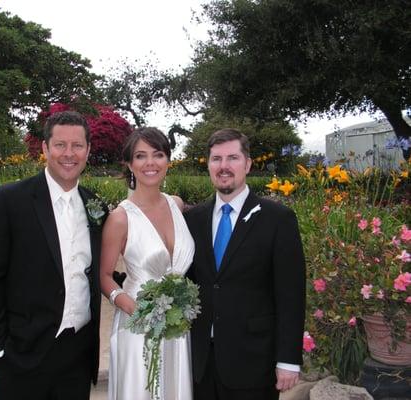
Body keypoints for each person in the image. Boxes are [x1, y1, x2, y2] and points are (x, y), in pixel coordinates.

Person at [0, 111, 107, 400]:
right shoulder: (8, 201)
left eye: (77, 145)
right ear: (45, 148)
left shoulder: (95, 204)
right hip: (22, 355)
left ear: (88, 150)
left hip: (78, 354)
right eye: (60, 145)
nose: (69, 154)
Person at [185, 128, 306, 400]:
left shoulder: (278, 219)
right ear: (208, 165)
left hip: (254, 361)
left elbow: (291, 295)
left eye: (233, 158)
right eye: (216, 159)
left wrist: (287, 360)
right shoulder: (193, 219)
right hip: (201, 362)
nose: (224, 166)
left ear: (248, 164)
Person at [100, 127, 195, 400]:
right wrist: (134, 307)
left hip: (177, 326)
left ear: (168, 160)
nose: (150, 163)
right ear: (130, 164)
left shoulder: (177, 205)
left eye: (158, 154)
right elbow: (104, 276)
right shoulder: (120, 218)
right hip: (138, 324)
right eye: (141, 156)